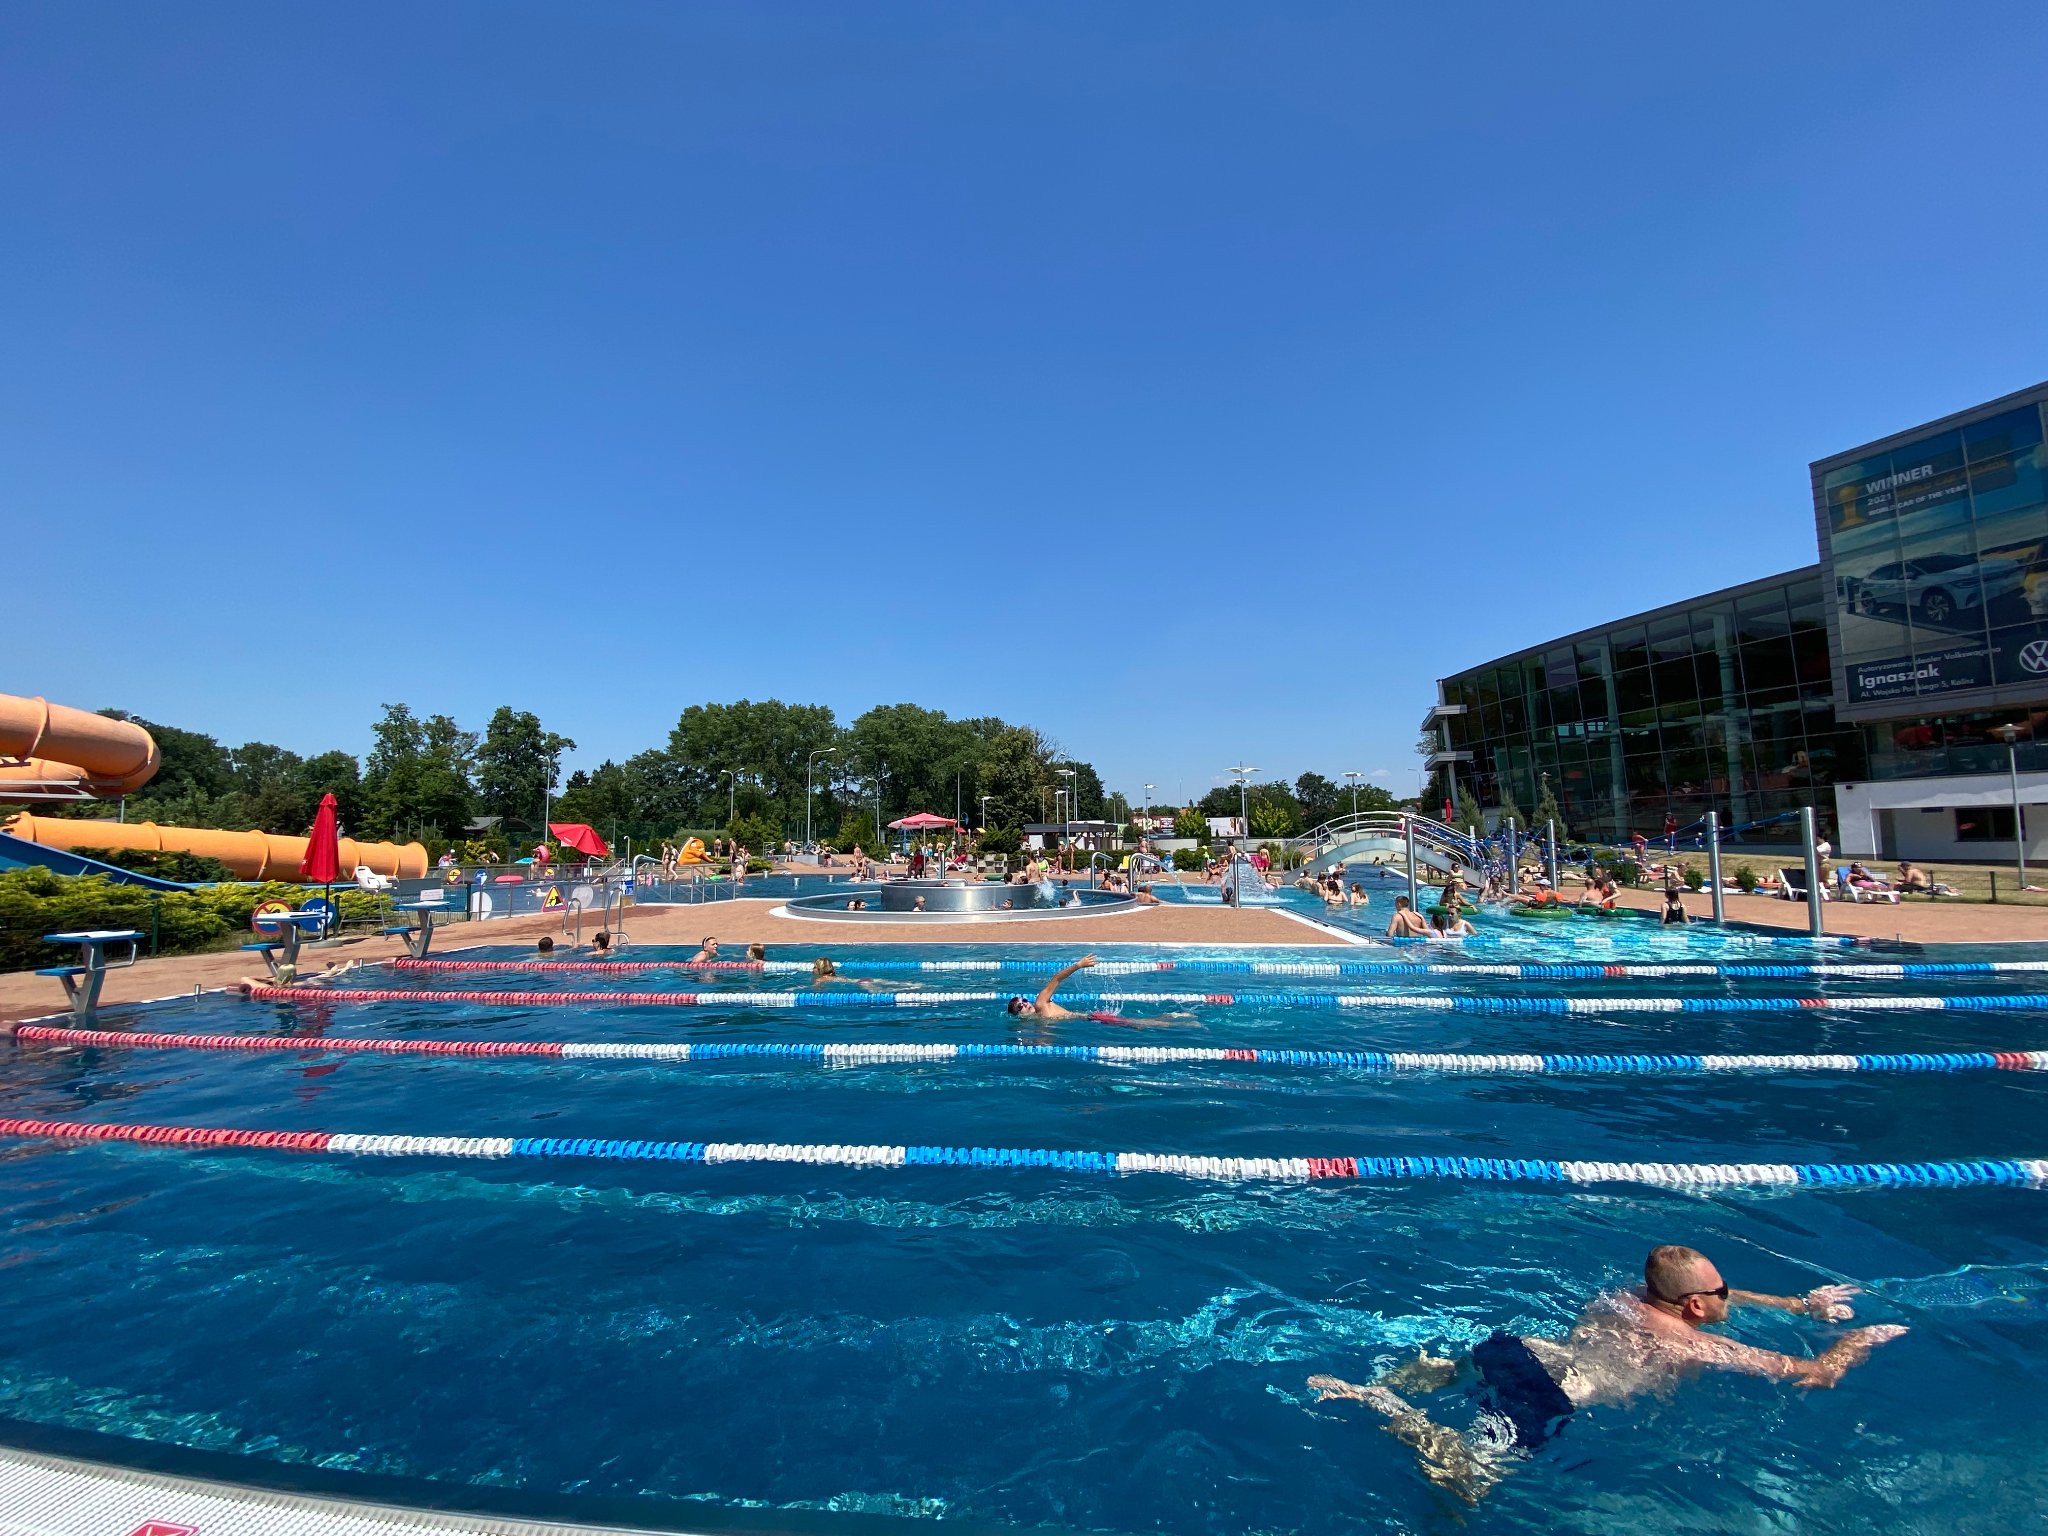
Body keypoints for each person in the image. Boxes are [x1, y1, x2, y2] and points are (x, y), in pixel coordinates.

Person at [1307, 1244, 1904, 1502]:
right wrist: (1856, 1339)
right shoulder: (1689, 1347)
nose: (1730, 1297)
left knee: (1444, 1377)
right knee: (1463, 1482)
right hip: (1545, 1396)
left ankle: (1394, 1384)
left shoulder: (1623, 1296)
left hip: (1516, 1349)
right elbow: (1816, 1373)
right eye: (1720, 1293)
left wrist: (1798, 1304)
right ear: (1695, 1306)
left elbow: (1721, 1295)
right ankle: (1379, 1405)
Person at [1005, 955, 1098, 1020]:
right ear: (1018, 1015)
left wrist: (1078, 965)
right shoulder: (1037, 1021)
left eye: (1024, 1001)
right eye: (1020, 1006)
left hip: (1093, 1017)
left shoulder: (1040, 1003)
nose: (1025, 1004)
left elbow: (1057, 978)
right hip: (1089, 1020)